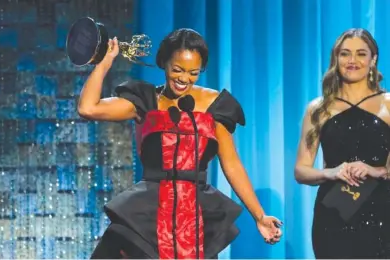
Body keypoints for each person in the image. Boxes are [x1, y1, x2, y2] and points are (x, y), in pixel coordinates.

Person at [78, 28, 283, 259]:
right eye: (177, 70)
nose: (184, 79)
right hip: (148, 214)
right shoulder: (145, 100)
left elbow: (232, 164)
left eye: (193, 72)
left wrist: (259, 216)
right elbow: (88, 108)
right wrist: (105, 63)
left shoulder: (215, 105)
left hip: (195, 219)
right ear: (163, 62)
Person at [294, 28, 390, 258]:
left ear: (373, 59)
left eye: (361, 53)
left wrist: (376, 170)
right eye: (345, 54)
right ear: (336, 59)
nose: (352, 61)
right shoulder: (318, 109)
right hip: (333, 214)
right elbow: (301, 170)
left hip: (382, 212)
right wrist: (331, 173)